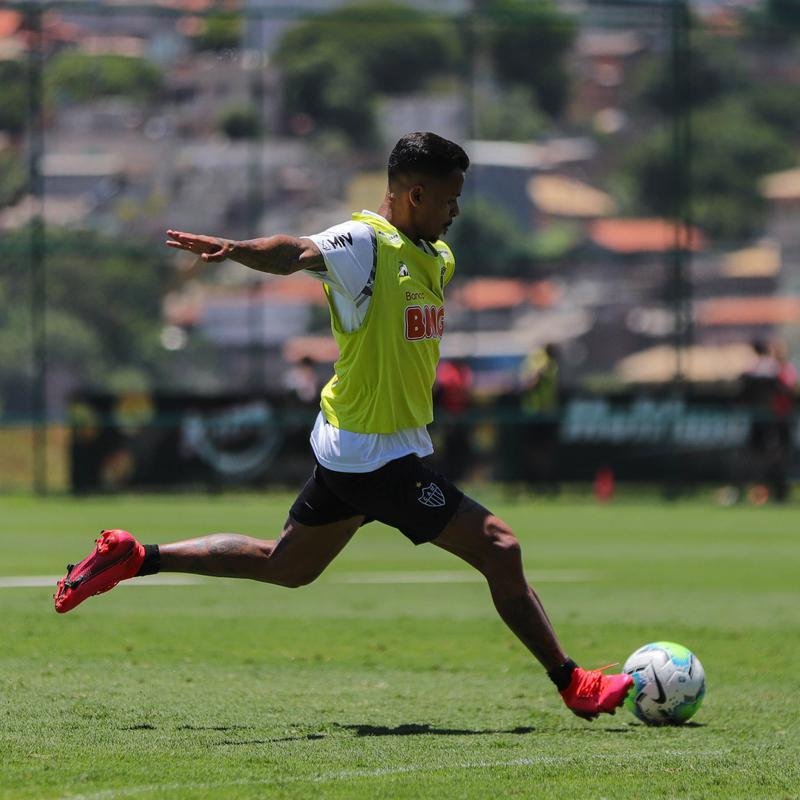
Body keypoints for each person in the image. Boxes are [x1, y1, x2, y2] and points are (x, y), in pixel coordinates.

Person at [54, 132, 631, 720]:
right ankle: (573, 683)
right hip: (375, 458)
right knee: (500, 548)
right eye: (449, 200)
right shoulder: (365, 243)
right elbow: (297, 253)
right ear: (414, 194)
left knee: (287, 566)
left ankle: (135, 556)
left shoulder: (433, 257)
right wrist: (236, 249)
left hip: (355, 446)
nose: (456, 212)